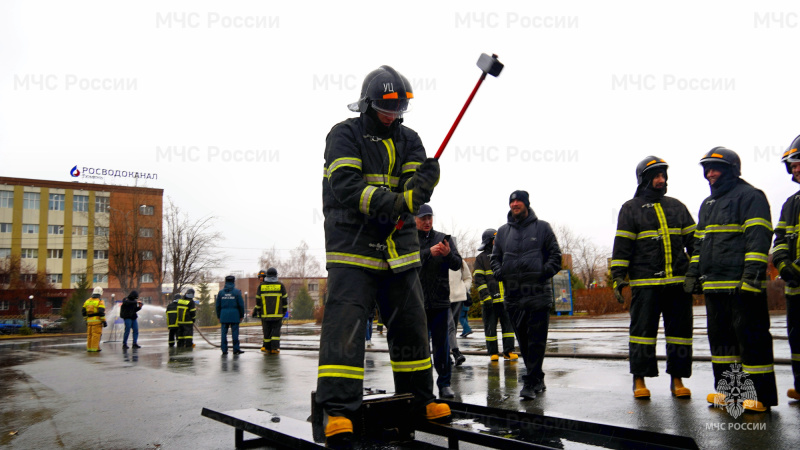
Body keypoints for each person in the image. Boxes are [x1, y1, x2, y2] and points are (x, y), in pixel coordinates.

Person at [316, 65, 449, 444]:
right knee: (346, 329)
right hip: (352, 250)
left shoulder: (411, 139)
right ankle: (339, 411)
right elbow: (346, 185)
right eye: (386, 109)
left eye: (399, 109)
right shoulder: (343, 135)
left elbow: (411, 189)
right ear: (368, 105)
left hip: (400, 252)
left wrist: (423, 184)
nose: (393, 116)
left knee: (411, 327)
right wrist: (397, 202)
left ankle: (420, 399)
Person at [684, 147, 777, 412]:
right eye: (707, 169)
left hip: (741, 285)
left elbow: (758, 238)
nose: (710, 174)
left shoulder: (751, 196)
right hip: (714, 286)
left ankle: (759, 395)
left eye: (716, 169)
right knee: (722, 342)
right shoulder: (708, 204)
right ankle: (729, 393)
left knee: (752, 339)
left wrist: (751, 276)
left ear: (731, 170)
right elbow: (699, 245)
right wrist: (693, 273)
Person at [611, 157, 696, 399]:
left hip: (678, 285)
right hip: (645, 285)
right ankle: (639, 380)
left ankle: (677, 380)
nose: (661, 180)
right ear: (644, 179)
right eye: (656, 176)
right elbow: (622, 247)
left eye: (664, 175)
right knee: (642, 334)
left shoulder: (677, 206)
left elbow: (695, 242)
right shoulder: (630, 208)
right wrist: (618, 276)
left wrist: (695, 271)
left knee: (679, 335)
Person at [491, 190, 562, 400]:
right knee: (523, 340)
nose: (515, 204)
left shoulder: (542, 228)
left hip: (537, 293)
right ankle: (538, 376)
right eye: (512, 201)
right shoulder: (503, 232)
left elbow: (556, 256)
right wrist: (500, 272)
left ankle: (530, 381)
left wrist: (542, 272)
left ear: (527, 204)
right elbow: (495, 258)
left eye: (518, 201)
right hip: (513, 296)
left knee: (537, 340)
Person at [416, 204, 462, 398]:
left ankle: (444, 384)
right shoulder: (408, 239)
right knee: (420, 347)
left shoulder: (443, 238)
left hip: (441, 302)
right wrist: (428, 253)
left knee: (442, 346)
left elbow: (457, 264)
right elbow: (405, 262)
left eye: (429, 218)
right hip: (417, 303)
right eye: (423, 218)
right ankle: (423, 387)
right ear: (415, 220)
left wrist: (447, 254)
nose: (427, 222)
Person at [772, 136, 800, 402]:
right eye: (792, 164)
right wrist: (783, 264)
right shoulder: (790, 204)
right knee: (798, 343)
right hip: (796, 290)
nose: (796, 168)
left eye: (799, 161)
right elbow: (779, 240)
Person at [473, 228, 517, 362]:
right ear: (489, 241)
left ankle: (508, 351)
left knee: (509, 328)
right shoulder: (481, 259)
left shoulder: (504, 256)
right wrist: (486, 297)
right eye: (495, 239)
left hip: (505, 301)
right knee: (490, 328)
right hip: (489, 302)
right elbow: (479, 279)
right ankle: (493, 353)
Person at [254, 268, 287, 354]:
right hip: (277, 315)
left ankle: (267, 347)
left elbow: (258, 301)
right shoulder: (280, 285)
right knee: (276, 332)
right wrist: (284, 311)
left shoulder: (261, 286)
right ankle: (275, 348)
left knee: (267, 332)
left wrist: (259, 311)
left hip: (265, 315)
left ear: (267, 275)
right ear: (276, 275)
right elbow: (284, 300)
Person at [448, 258, 472, 365]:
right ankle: (456, 352)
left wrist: (464, 288)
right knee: (450, 326)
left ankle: (446, 354)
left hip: (458, 298)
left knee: (453, 327)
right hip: (442, 299)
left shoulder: (459, 261)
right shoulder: (436, 259)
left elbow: (468, 277)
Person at [216, 275, 245, 356]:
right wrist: (241, 315)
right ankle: (236, 349)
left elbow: (217, 306)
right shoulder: (237, 292)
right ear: (233, 282)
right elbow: (241, 305)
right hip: (235, 315)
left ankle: (224, 350)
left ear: (225, 282)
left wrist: (218, 316)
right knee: (235, 333)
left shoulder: (221, 293)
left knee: (223, 333)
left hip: (224, 315)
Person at [82, 286, 107, 352]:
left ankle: (89, 348)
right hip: (97, 322)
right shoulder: (100, 301)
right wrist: (104, 321)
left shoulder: (87, 301)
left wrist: (86, 320)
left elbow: (83, 311)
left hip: (89, 322)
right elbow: (101, 312)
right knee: (96, 335)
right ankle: (94, 349)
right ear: (100, 293)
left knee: (89, 335)